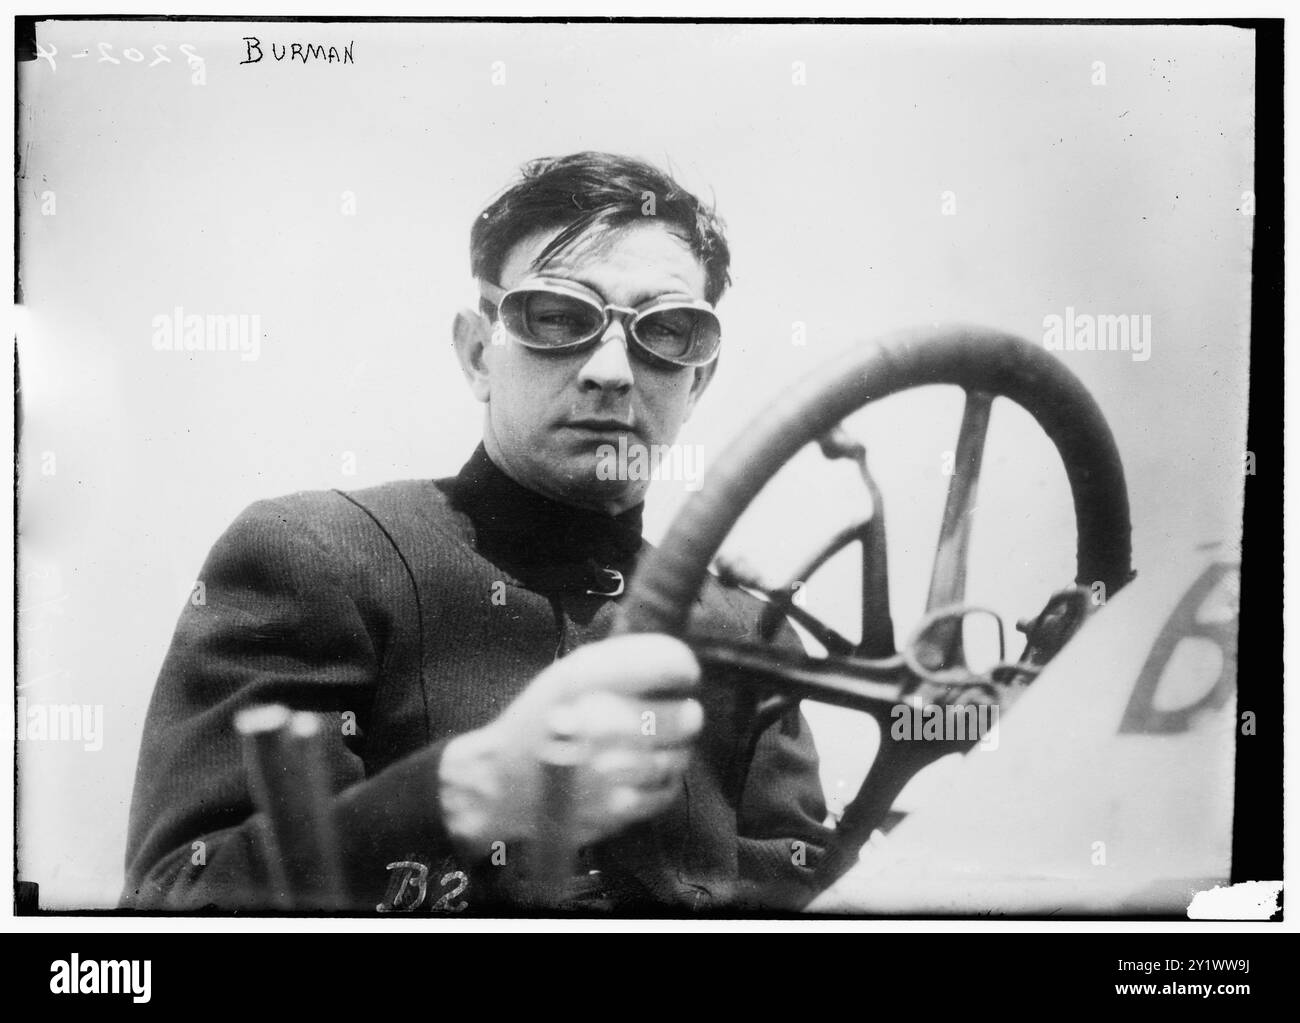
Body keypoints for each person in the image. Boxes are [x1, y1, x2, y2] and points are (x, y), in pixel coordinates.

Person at [122, 151, 831, 913]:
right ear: (476, 352)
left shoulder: (749, 637)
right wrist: (465, 792)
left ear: (699, 379)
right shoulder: (315, 554)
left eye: (667, 331)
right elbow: (172, 901)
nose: (612, 371)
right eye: (559, 316)